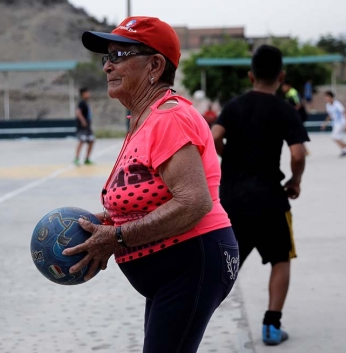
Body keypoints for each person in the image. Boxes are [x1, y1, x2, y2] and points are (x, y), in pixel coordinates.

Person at [63, 16, 238, 353]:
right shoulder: (144, 118)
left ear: (155, 65)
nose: (107, 68)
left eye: (119, 56)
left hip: (193, 262)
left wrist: (115, 237)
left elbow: (193, 202)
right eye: (106, 58)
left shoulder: (169, 117)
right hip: (175, 270)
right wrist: (109, 221)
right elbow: (152, 195)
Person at [211, 45, 309, 346]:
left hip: (232, 201)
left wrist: (230, 157)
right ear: (281, 76)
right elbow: (297, 152)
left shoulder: (235, 105)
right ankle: (271, 326)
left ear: (251, 75)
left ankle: (198, 316)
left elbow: (214, 136)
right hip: (270, 200)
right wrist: (295, 180)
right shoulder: (285, 110)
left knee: (227, 262)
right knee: (281, 260)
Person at [321, 91, 346, 157]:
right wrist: (325, 123)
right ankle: (345, 150)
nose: (326, 98)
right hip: (335, 123)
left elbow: (344, 113)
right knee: (339, 138)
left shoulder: (337, 104)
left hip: (341, 122)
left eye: (327, 96)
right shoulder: (327, 105)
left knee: (334, 137)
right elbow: (330, 115)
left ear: (331, 97)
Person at [74, 87, 95, 165]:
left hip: (88, 127)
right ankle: (76, 158)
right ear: (83, 94)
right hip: (82, 127)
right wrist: (83, 121)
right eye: (87, 93)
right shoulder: (81, 102)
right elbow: (78, 112)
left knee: (91, 141)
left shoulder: (86, 103)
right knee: (81, 141)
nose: (88, 94)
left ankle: (87, 158)